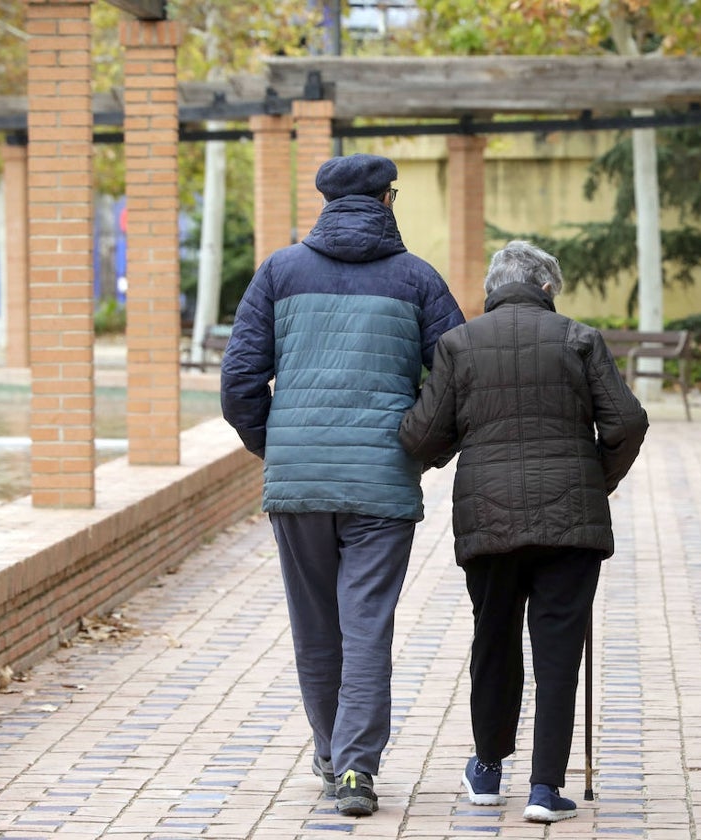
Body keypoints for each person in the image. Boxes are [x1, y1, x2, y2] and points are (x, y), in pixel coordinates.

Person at [220, 153, 465, 818]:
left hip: (299, 477)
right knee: (367, 625)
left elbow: (240, 380)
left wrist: (279, 446)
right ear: (387, 200)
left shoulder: (279, 271)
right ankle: (356, 770)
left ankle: (332, 752)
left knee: (316, 627)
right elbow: (457, 378)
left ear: (326, 202)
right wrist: (421, 447)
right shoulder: (418, 279)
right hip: (382, 479)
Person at [399, 240, 649, 823]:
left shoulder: (458, 344)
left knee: (494, 639)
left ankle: (487, 773)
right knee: (560, 651)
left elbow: (420, 437)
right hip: (571, 525)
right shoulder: (578, 338)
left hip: (488, 520)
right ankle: (544, 789)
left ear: (493, 290)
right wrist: (595, 479)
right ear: (546, 289)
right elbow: (628, 421)